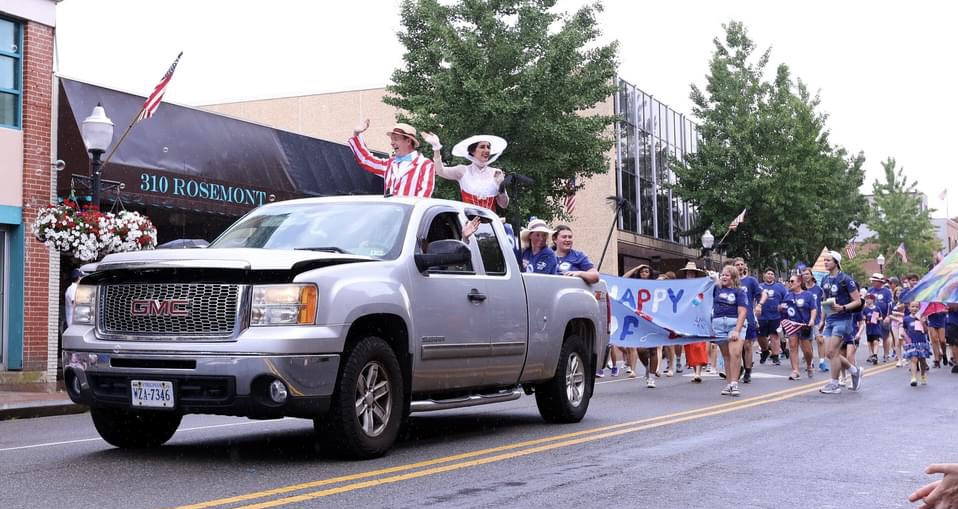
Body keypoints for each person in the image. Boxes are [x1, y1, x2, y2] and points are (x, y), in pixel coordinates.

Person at [348, 119, 435, 198]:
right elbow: (365, 160)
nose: (392, 143)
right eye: (392, 139)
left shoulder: (425, 165)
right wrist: (357, 133)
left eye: (395, 139)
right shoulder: (390, 163)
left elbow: (424, 196)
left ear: (408, 141)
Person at [423, 133, 510, 210]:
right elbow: (440, 171)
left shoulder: (496, 173)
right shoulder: (463, 171)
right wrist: (436, 148)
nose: (487, 150)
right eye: (482, 147)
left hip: (490, 224)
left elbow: (504, 205)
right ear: (472, 151)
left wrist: (501, 186)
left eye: (488, 147)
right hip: (469, 223)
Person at [818, 251, 864, 394]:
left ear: (836, 262)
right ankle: (854, 370)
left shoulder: (846, 279)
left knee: (833, 351)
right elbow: (825, 302)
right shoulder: (824, 280)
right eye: (824, 260)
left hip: (843, 320)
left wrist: (843, 307)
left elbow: (857, 301)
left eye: (829, 260)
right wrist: (822, 320)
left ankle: (834, 384)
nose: (825, 262)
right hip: (830, 320)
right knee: (829, 353)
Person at [713, 264, 748, 396]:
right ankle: (728, 384)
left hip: (734, 323)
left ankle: (734, 383)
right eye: (722, 274)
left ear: (733, 278)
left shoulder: (739, 292)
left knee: (736, 354)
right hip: (719, 324)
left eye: (727, 275)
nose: (723, 277)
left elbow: (743, 312)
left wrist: (737, 331)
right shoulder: (716, 289)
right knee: (726, 355)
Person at [622, 263, 658, 387]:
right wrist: (636, 268)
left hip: (653, 320)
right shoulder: (634, 284)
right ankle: (647, 368)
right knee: (641, 349)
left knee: (653, 349)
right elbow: (623, 279)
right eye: (642, 272)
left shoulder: (655, 286)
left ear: (650, 274)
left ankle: (652, 378)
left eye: (646, 271)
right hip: (639, 320)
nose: (644, 273)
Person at [678, 262, 710, 383]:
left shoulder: (700, 286)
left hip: (698, 316)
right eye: (688, 273)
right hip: (686, 317)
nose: (690, 274)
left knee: (698, 344)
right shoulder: (681, 287)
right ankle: (694, 369)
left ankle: (698, 372)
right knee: (689, 345)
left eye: (692, 273)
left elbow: (704, 296)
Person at [781, 274, 817, 380]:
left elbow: (813, 309)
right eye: (789, 281)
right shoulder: (788, 296)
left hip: (804, 325)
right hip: (792, 324)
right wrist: (781, 308)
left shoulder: (808, 295)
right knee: (792, 346)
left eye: (792, 281)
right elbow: (784, 310)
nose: (790, 283)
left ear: (799, 282)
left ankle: (809, 365)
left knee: (807, 350)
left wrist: (812, 320)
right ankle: (795, 370)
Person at [733, 258, 763, 384]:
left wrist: (759, 305)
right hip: (733, 316)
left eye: (741, 264)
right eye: (737, 265)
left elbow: (760, 295)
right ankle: (737, 368)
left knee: (747, 345)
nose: (740, 266)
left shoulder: (751, 281)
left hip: (748, 315)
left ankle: (748, 371)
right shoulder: (730, 280)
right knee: (736, 346)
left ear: (744, 266)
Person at [758, 268, 787, 366]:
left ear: (774, 276)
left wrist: (782, 306)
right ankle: (765, 351)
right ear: (764, 275)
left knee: (775, 336)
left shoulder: (780, 287)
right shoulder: (759, 286)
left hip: (775, 316)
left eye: (772, 274)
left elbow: (786, 299)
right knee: (761, 336)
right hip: (761, 316)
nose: (770, 275)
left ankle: (775, 356)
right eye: (768, 274)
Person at [802, 267, 827, 372]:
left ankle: (822, 362)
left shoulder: (818, 289)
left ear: (812, 276)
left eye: (807, 274)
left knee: (820, 340)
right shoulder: (801, 289)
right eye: (804, 274)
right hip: (804, 319)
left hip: (817, 319)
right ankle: (810, 362)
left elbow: (824, 304)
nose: (806, 276)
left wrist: (823, 319)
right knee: (808, 341)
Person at [866, 273, 895, 364]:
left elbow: (890, 305)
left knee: (885, 336)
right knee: (871, 337)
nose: (873, 282)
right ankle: (872, 354)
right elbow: (866, 302)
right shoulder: (870, 290)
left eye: (875, 280)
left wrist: (888, 316)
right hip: (872, 316)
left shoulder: (887, 291)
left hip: (883, 316)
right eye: (873, 280)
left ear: (880, 281)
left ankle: (886, 354)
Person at [903, 301, 932, 386]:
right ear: (909, 308)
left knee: (922, 360)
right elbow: (904, 329)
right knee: (913, 359)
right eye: (912, 306)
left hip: (921, 342)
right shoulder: (906, 319)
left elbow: (926, 331)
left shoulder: (922, 317)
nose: (914, 308)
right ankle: (913, 377)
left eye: (916, 307)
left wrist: (923, 322)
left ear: (919, 308)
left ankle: (923, 375)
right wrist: (904, 339)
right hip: (912, 342)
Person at [925, 301, 949, 368]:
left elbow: (948, 310)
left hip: (941, 320)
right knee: (934, 339)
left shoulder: (943, 300)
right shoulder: (929, 300)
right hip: (932, 320)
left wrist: (941, 310)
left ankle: (944, 354)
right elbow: (924, 310)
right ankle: (937, 360)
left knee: (942, 340)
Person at [863, 294, 884, 365]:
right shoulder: (865, 309)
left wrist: (878, 318)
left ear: (872, 300)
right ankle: (872, 355)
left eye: (868, 299)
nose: (867, 300)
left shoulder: (877, 308)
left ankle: (875, 355)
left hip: (876, 327)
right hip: (869, 328)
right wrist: (864, 318)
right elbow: (863, 317)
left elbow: (881, 317)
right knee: (870, 342)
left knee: (876, 341)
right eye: (866, 299)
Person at [947, 303, 958, 374]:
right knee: (954, 343)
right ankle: (957, 363)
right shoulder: (950, 295)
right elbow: (947, 306)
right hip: (953, 323)